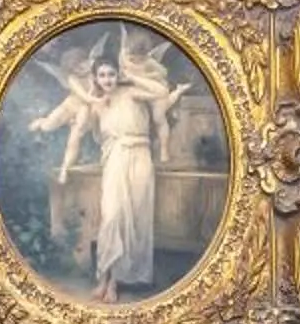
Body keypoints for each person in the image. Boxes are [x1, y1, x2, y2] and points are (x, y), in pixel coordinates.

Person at [29, 27, 189, 302]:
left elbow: (160, 89)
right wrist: (44, 124)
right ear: (96, 77)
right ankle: (106, 279)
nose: (107, 80)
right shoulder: (95, 104)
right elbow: (74, 128)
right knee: (112, 217)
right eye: (102, 75)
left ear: (118, 74)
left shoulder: (133, 93)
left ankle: (117, 280)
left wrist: (131, 76)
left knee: (134, 219)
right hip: (114, 157)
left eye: (111, 74)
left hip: (140, 157)